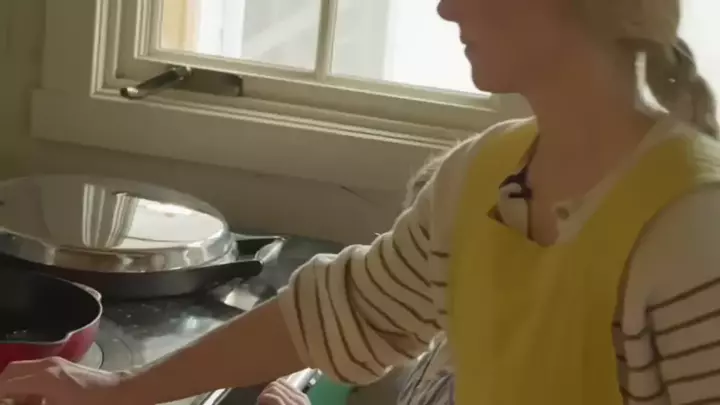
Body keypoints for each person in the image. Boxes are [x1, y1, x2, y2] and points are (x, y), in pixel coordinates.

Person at [2, 0, 720, 403]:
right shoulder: (487, 173)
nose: (444, 7)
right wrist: (119, 389)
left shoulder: (691, 229)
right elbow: (341, 313)